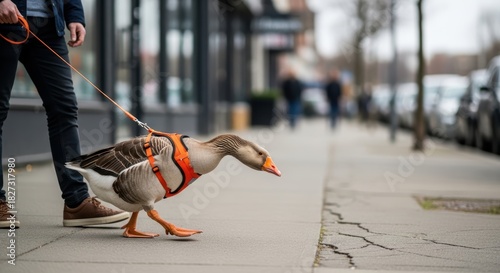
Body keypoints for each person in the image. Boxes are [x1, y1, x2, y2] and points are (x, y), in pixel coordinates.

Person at [0, 0, 129, 228]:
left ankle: (76, 202)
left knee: (65, 109)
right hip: (5, 20)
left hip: (50, 24)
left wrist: (74, 14)